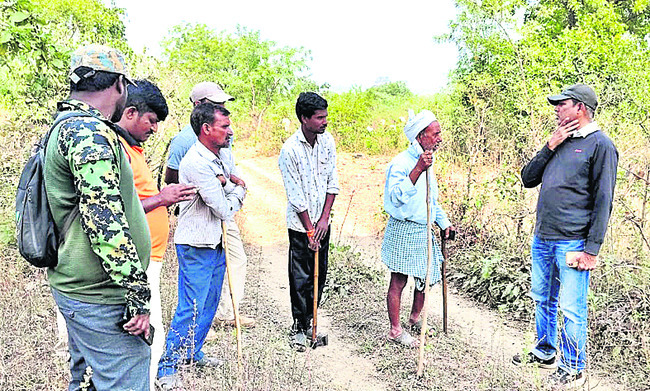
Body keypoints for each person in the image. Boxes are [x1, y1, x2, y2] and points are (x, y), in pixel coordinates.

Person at [44, 44, 152, 390]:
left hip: (81, 287)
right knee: (125, 380)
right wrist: (137, 291)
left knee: (90, 380)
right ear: (119, 85)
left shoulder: (66, 125)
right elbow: (103, 220)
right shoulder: (88, 133)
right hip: (99, 295)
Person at [514, 84, 618, 388]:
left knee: (572, 307)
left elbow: (603, 200)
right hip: (544, 236)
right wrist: (549, 145)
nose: (557, 109)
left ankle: (573, 367)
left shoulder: (601, 145)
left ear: (581, 108)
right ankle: (545, 352)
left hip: (573, 242)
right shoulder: (559, 140)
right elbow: (528, 178)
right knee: (542, 298)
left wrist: (592, 249)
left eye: (563, 104)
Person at [156, 103, 246, 390]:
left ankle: (192, 353)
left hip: (214, 241)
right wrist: (238, 189)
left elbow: (226, 188)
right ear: (206, 129)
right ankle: (167, 366)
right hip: (196, 243)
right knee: (191, 306)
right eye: (224, 126)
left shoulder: (219, 156)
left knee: (208, 302)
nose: (230, 131)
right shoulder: (196, 162)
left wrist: (227, 183)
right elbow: (223, 208)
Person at [114, 79, 196, 389]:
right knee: (149, 332)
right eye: (152, 121)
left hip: (150, 257)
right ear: (131, 113)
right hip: (136, 260)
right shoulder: (116, 149)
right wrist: (163, 198)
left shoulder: (132, 149)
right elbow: (115, 208)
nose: (155, 129)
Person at [165, 81, 255, 330]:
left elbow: (226, 176)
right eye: (215, 103)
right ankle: (178, 353)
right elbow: (172, 177)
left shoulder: (223, 134)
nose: (222, 107)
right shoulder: (184, 141)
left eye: (222, 103)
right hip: (201, 219)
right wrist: (199, 191)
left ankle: (226, 313)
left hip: (219, 213)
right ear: (199, 107)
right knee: (194, 295)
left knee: (235, 260)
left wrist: (225, 185)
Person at [381, 109, 455, 348]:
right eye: (436, 134)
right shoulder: (402, 163)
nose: (439, 138)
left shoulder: (429, 160)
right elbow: (394, 198)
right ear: (421, 135)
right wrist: (417, 170)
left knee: (425, 278)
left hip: (423, 230)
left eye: (439, 133)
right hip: (403, 228)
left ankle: (414, 318)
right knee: (398, 281)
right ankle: (395, 330)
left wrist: (443, 223)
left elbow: (430, 199)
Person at [278, 92, 339, 351]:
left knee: (320, 273)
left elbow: (332, 183)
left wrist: (324, 220)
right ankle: (299, 326)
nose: (325, 122)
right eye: (319, 118)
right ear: (304, 119)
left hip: (322, 223)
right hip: (301, 226)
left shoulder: (328, 143)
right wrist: (310, 229)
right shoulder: (289, 150)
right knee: (301, 277)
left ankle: (312, 321)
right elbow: (296, 196)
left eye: (325, 117)